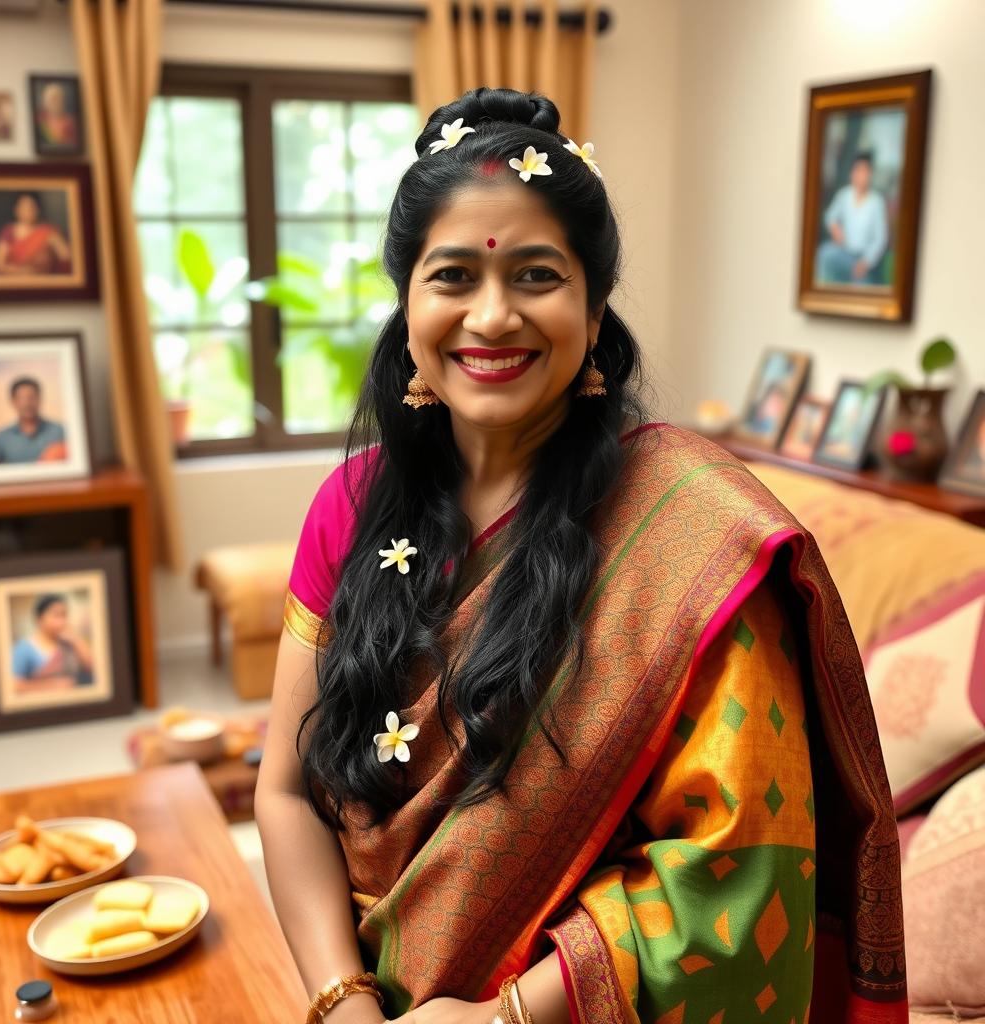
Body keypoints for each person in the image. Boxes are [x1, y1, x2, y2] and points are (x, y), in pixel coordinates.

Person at [256, 88, 906, 1024]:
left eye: (535, 276)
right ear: (407, 307)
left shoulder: (688, 532)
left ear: (595, 312)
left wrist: (503, 1017)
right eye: (453, 277)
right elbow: (283, 790)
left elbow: (737, 858)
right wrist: (346, 1000)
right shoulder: (351, 506)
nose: (491, 317)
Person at [816, 150, 889, 286]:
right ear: (853, 173)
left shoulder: (876, 202)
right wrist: (834, 227)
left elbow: (881, 239)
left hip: (864, 258)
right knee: (824, 254)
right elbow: (830, 216)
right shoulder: (844, 195)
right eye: (859, 171)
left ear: (870, 174)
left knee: (861, 285)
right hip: (844, 252)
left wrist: (866, 262)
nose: (862, 176)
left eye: (865, 171)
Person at [11, 593, 93, 694]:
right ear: (39, 619)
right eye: (56, 616)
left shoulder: (69, 643)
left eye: (64, 615)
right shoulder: (24, 648)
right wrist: (54, 685)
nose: (62, 621)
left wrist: (76, 640)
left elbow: (92, 668)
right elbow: (15, 686)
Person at [0, 192, 72, 276]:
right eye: (23, 207)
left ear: (38, 210)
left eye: (31, 207)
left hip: (42, 281)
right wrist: (23, 271)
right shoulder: (8, 231)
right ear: (16, 209)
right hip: (14, 281)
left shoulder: (48, 232)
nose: (27, 211)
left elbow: (66, 257)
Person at [0, 376, 66, 465]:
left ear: (40, 399)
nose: (27, 403)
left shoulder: (60, 432)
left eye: (31, 397)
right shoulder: (0, 439)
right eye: (22, 398)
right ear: (13, 401)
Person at [36, 81, 78, 148]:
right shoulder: (40, 120)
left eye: (58, 99)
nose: (55, 103)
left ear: (63, 101)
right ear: (45, 102)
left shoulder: (70, 122)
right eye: (51, 99)